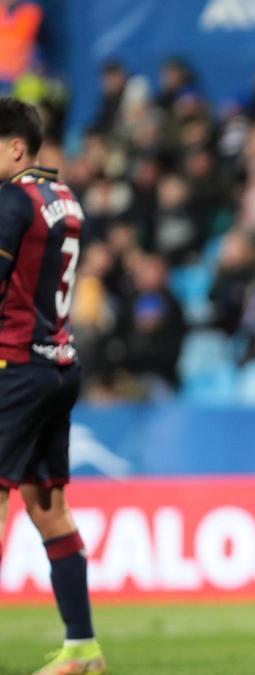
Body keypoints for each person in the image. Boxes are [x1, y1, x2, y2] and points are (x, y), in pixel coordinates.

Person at [0, 98, 105, 674]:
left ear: (16, 147)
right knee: (49, 508)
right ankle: (82, 649)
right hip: (59, 364)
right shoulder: (64, 198)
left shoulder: (12, 199)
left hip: (15, 365)